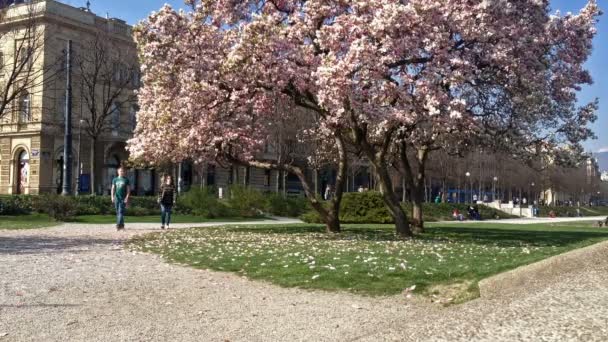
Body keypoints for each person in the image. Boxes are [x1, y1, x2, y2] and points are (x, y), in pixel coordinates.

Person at [111, 166, 131, 231]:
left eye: (122, 171)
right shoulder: (115, 179)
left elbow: (128, 190)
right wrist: (112, 197)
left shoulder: (126, 180)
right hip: (117, 197)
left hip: (123, 198)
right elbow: (113, 189)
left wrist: (127, 197)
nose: (121, 172)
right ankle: (122, 226)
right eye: (120, 171)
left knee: (120, 212)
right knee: (118, 212)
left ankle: (118, 226)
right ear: (118, 172)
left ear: (124, 172)